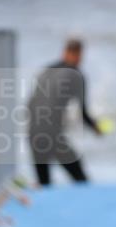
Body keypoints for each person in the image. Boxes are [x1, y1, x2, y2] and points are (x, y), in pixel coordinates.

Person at [27, 38, 101, 186]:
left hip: (32, 131)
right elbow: (83, 114)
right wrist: (96, 128)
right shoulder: (76, 75)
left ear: (65, 51)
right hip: (52, 134)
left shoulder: (47, 70)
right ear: (79, 54)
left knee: (44, 183)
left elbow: (31, 103)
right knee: (80, 178)